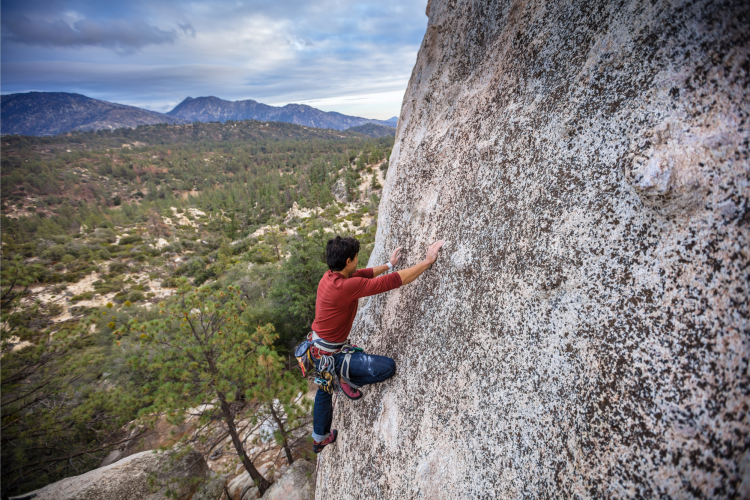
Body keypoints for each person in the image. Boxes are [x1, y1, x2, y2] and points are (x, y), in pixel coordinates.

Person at [310, 235, 444, 453]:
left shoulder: (329, 277)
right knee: (386, 368)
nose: (357, 262)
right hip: (331, 356)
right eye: (355, 258)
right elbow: (392, 282)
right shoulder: (345, 288)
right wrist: (427, 262)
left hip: (319, 350)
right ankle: (345, 377)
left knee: (324, 390)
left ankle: (319, 438)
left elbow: (361, 274)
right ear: (347, 262)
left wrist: (389, 264)